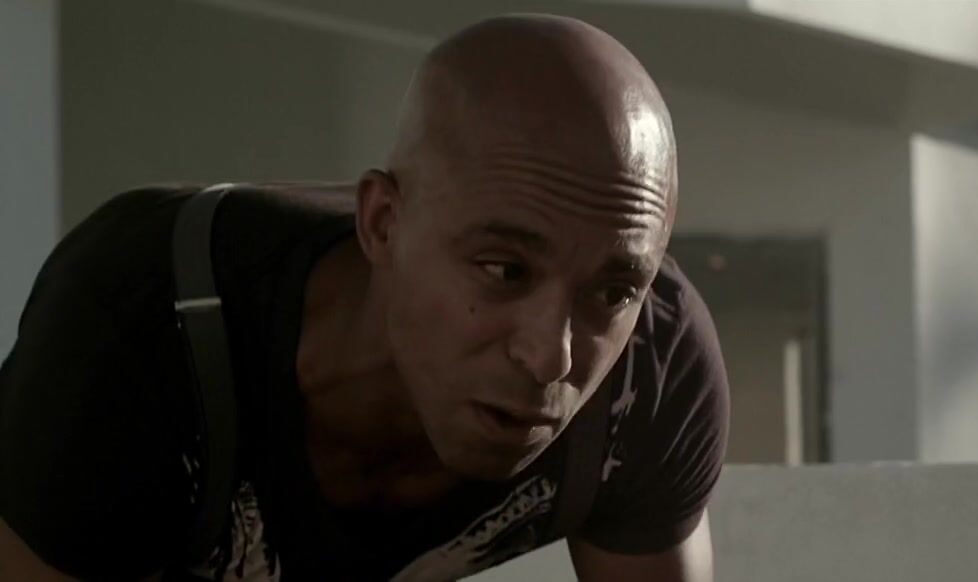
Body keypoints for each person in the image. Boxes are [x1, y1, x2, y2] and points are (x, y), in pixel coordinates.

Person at [0, 14, 729, 582]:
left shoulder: (652, 366)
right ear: (382, 224)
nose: (551, 356)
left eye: (613, 290)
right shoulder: (142, 323)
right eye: (503, 270)